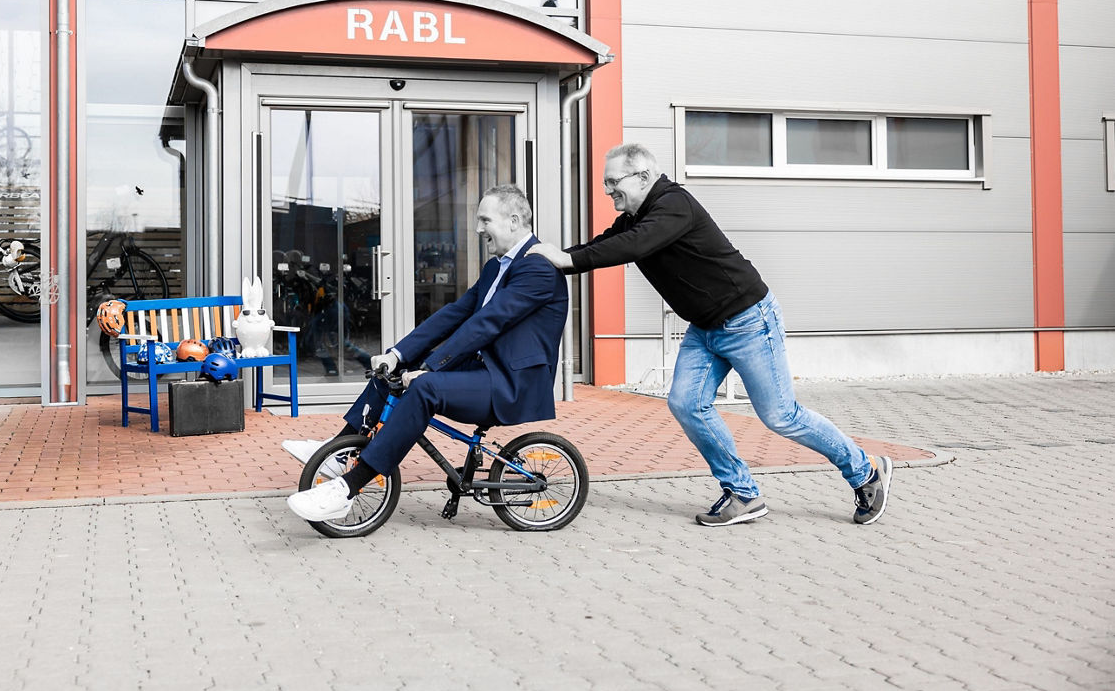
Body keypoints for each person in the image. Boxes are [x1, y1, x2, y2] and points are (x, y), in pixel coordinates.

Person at [528, 143, 893, 526]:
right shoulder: (637, 217)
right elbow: (601, 245)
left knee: (781, 415)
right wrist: (543, 258)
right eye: (605, 183)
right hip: (705, 328)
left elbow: (631, 246)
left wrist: (566, 258)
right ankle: (743, 493)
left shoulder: (673, 205)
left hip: (748, 320)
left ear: (643, 177)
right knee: (686, 404)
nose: (607, 191)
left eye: (612, 181)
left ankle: (866, 471)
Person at [284, 184, 568, 522]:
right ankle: (335, 451)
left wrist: (431, 370)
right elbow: (455, 314)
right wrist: (398, 355)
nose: (478, 229)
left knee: (423, 388)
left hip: (510, 383)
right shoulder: (498, 266)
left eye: (485, 220)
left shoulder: (537, 268)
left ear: (514, 220)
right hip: (483, 371)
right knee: (387, 377)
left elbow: (488, 324)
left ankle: (347, 489)